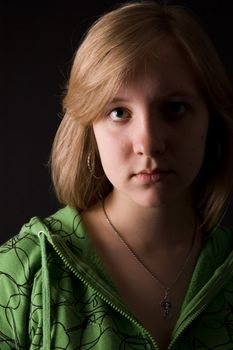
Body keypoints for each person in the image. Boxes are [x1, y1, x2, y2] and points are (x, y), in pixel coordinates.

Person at [1, 1, 233, 349]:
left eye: (175, 108)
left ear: (210, 120)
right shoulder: (23, 272)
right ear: (89, 126)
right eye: (119, 112)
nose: (149, 144)